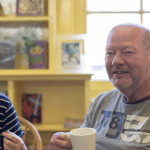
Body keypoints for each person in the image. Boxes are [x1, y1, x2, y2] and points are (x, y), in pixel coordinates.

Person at [49, 23, 150, 150]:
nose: (116, 61)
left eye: (128, 52)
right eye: (110, 53)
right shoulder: (101, 102)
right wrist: (64, 145)